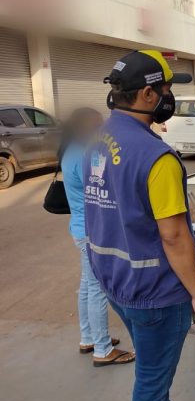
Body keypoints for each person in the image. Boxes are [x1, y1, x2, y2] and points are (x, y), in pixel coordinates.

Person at [84, 50, 195, 401]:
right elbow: (174, 237)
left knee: (153, 363)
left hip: (114, 282)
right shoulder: (157, 159)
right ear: (145, 95)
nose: (168, 97)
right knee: (152, 380)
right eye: (165, 89)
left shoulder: (98, 140)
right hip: (154, 290)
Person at [61, 107, 135, 367]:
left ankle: (88, 337)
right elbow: (103, 190)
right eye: (98, 126)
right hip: (92, 232)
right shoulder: (86, 154)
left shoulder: (71, 151)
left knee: (86, 286)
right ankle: (102, 350)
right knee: (98, 289)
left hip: (80, 229)